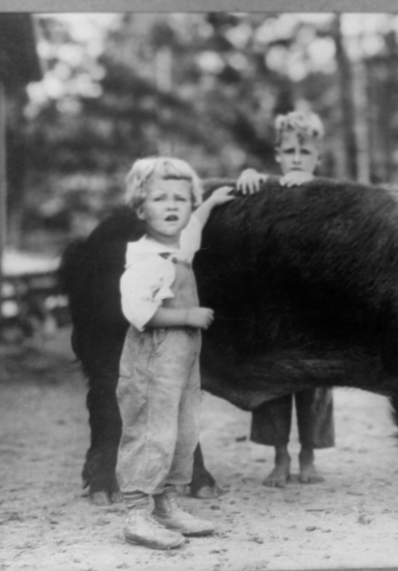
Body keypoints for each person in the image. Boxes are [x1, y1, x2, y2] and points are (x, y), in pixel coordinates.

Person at [116, 157, 234, 550]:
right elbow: (138, 312)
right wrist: (187, 314)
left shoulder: (182, 245)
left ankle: (165, 505)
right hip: (152, 362)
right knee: (152, 432)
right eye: (160, 198)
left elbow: (196, 223)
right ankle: (136, 512)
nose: (171, 207)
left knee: (183, 430)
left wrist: (212, 201)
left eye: (180, 200)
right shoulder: (145, 261)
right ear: (139, 207)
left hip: (182, 363)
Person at [235, 110, 336, 487]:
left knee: (314, 383)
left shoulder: (328, 193)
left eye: (305, 151)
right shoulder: (267, 186)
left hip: (314, 306)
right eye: (289, 150)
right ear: (277, 153)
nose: (296, 158)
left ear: (318, 157)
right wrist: (248, 178)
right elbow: (244, 204)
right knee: (274, 384)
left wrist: (307, 185)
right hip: (274, 306)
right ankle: (279, 457)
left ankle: (308, 456)